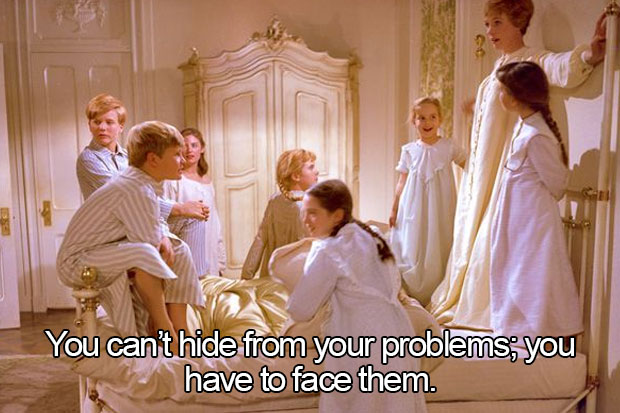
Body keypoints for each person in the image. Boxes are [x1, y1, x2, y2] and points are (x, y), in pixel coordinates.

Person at [429, 0, 606, 329]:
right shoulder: (496, 70)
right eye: (487, 24)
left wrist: (590, 55)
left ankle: (500, 309)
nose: (489, 31)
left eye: (497, 23)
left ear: (518, 23)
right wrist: (477, 106)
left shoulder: (531, 60)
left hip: (506, 173)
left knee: (493, 238)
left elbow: (560, 66)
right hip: (484, 172)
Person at [57, 121, 205, 349]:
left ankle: (181, 329)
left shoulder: (143, 184)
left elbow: (154, 226)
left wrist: (163, 236)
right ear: (153, 159)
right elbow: (150, 245)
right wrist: (160, 238)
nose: (183, 161)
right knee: (145, 253)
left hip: (104, 251)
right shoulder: (134, 188)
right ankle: (164, 329)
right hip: (77, 261)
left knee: (180, 249)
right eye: (176, 154)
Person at [287, 179, 427, 413]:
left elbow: (301, 309)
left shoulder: (328, 250)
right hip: (397, 336)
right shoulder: (374, 235)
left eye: (313, 213)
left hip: (360, 342)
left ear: (337, 215)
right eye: (304, 212)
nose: (305, 220)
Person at [490, 61, 581, 341]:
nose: (500, 96)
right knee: (513, 266)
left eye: (503, 91)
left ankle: (536, 330)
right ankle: (516, 328)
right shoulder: (524, 126)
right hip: (518, 215)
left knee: (531, 272)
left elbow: (556, 182)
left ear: (517, 97)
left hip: (533, 218)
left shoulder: (537, 135)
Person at [76, 94, 210, 277]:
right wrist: (178, 209)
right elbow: (128, 199)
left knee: (193, 218)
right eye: (96, 122)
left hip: (136, 221)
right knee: (176, 230)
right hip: (112, 230)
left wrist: (167, 224)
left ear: (121, 127)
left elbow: (148, 194)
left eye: (109, 122)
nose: (102, 127)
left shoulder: (127, 157)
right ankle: (182, 281)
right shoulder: (89, 159)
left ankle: (198, 279)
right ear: (89, 124)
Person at [389, 97, 466, 306]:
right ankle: (412, 289)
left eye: (432, 117)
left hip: (441, 205)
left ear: (440, 119)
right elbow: (401, 181)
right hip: (413, 206)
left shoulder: (448, 146)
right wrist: (394, 208)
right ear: (413, 121)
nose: (427, 122)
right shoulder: (409, 150)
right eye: (421, 118)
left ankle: (437, 290)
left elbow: (470, 165)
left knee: (439, 239)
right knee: (414, 240)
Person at [241, 149, 318, 279]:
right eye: (311, 167)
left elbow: (260, 239)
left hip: (272, 278)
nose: (317, 171)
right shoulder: (307, 207)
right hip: (295, 280)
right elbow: (310, 250)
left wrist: (246, 275)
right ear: (296, 176)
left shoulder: (275, 200)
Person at [164, 128, 226, 277]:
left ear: (202, 148)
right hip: (186, 244)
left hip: (209, 245)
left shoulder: (207, 180)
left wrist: (220, 261)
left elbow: (214, 223)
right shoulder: (173, 180)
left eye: (194, 145)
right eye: (184, 146)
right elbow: (165, 215)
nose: (189, 150)